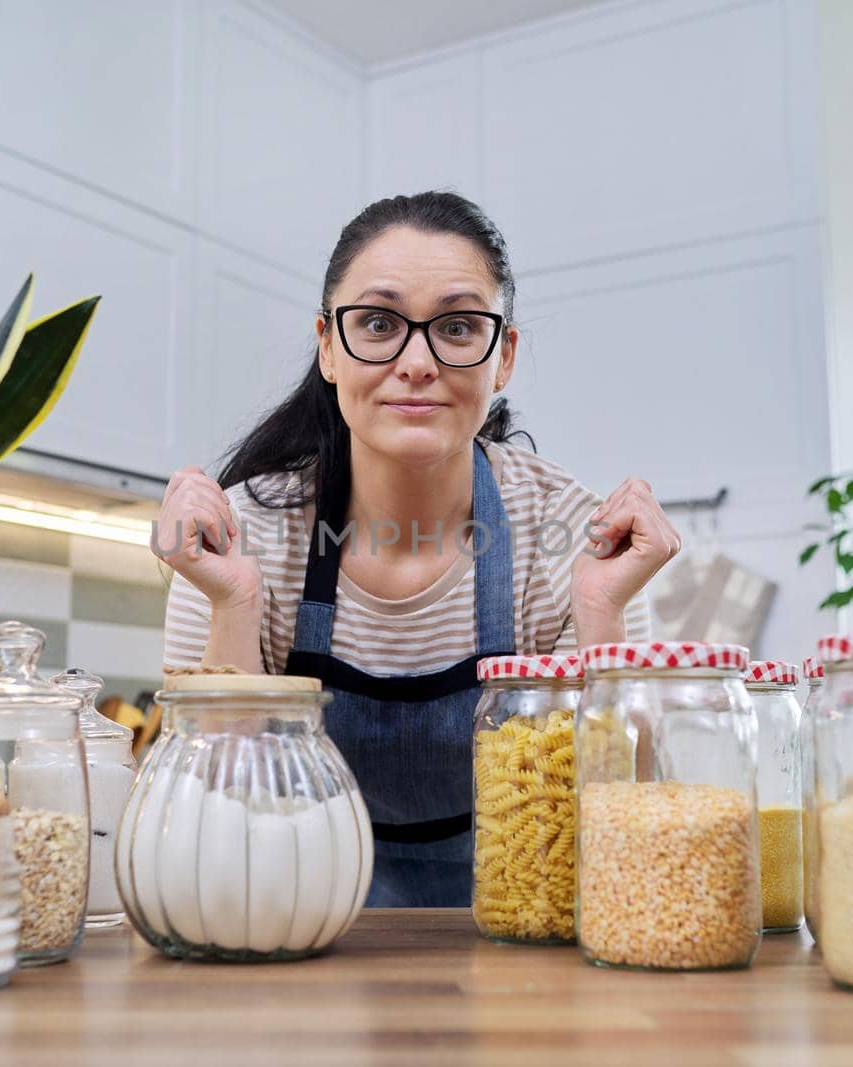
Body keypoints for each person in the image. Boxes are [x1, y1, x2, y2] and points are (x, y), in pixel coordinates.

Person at [154, 191, 680, 907]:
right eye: (378, 323)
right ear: (329, 347)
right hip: (296, 938)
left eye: (458, 327)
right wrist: (234, 603)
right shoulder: (240, 537)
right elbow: (205, 825)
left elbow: (627, 831)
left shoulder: (574, 540)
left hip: (518, 944)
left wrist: (600, 621)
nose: (417, 361)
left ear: (504, 357)